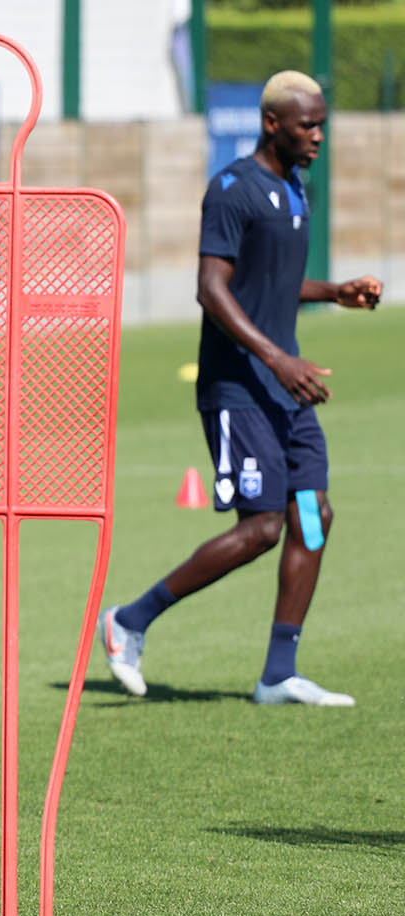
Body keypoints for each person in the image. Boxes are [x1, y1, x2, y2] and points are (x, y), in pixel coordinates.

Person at [100, 71, 381, 707]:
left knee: (313, 516)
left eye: (323, 125)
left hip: (286, 387)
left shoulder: (295, 186)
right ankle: (129, 621)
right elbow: (211, 288)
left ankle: (278, 674)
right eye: (308, 126)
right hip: (240, 389)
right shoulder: (232, 190)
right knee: (261, 529)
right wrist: (277, 359)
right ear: (272, 124)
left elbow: (272, 281)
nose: (319, 136)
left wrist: (334, 292)